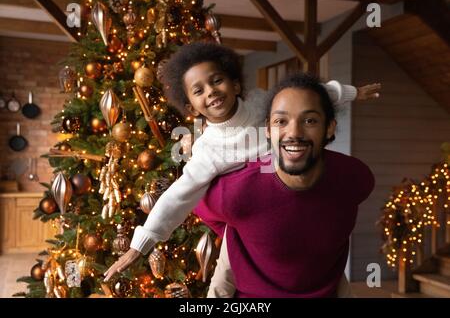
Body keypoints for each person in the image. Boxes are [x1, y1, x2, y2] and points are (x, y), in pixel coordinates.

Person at [104, 42, 381, 282]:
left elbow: (311, 97)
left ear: (235, 84)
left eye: (216, 80)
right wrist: (140, 245)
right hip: (252, 230)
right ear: (191, 108)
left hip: (297, 208)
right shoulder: (208, 150)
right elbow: (178, 196)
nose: (210, 91)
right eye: (198, 91)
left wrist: (352, 93)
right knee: (228, 279)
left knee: (324, 274)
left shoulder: (262, 103)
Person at [194, 73, 375, 297]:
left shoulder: (355, 178)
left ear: (329, 128)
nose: (294, 133)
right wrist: (245, 233)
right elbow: (197, 204)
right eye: (281, 121)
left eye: (309, 121)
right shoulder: (237, 190)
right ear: (268, 131)